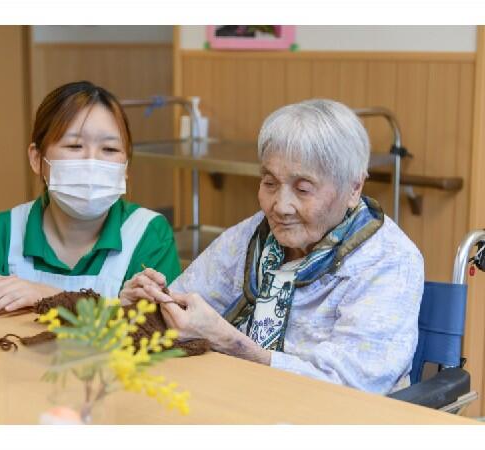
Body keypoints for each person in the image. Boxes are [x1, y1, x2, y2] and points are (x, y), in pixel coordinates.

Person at [121, 99, 424, 394]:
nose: (281, 206)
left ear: (353, 188)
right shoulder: (254, 236)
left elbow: (350, 389)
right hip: (241, 400)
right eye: (269, 183)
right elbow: (189, 302)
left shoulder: (389, 260)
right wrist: (151, 306)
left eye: (303, 189)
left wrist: (231, 342)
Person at [0, 81, 180, 315]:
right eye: (74, 145)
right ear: (37, 159)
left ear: (126, 166)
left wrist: (51, 297)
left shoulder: (148, 234)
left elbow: (164, 332)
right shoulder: (5, 233)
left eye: (109, 149)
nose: (92, 162)